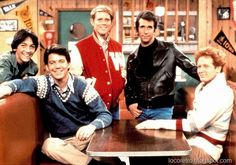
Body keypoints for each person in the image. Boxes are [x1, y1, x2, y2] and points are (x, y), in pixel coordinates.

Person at [0, 44, 112, 165]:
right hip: (63, 143)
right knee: (48, 146)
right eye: (52, 63)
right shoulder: (43, 84)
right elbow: (21, 83)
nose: (57, 66)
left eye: (61, 61)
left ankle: (83, 160)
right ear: (47, 67)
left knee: (105, 149)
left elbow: (105, 114)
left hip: (86, 138)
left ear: (68, 64)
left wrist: (91, 126)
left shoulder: (82, 85)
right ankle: (91, 164)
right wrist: (7, 88)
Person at [136, 46, 234, 164]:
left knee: (161, 159)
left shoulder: (221, 92)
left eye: (206, 66)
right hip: (194, 141)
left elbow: (194, 125)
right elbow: (193, 120)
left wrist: (155, 123)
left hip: (206, 150)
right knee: (150, 150)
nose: (201, 70)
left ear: (218, 68)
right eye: (199, 66)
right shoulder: (203, 87)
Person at [125, 10, 199, 120]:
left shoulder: (169, 49)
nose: (145, 31)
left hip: (163, 109)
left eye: (149, 27)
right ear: (137, 29)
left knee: (162, 138)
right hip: (140, 111)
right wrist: (130, 102)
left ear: (155, 30)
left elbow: (191, 68)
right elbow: (130, 84)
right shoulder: (132, 57)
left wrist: (214, 79)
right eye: (142, 27)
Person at [70, 5, 126, 120]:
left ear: (111, 23)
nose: (103, 23)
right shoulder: (80, 47)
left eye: (107, 19)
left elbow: (122, 71)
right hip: (91, 110)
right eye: (99, 19)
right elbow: (74, 80)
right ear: (92, 21)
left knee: (116, 137)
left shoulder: (118, 46)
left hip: (114, 108)